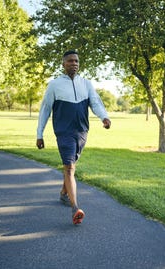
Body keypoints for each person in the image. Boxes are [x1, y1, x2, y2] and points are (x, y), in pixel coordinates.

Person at [36, 50, 111, 225]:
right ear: (63, 64)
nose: (74, 63)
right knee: (69, 168)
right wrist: (39, 134)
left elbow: (95, 102)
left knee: (71, 166)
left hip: (82, 131)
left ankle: (63, 193)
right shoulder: (54, 85)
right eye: (70, 61)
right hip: (64, 132)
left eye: (76, 61)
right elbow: (45, 109)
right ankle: (74, 207)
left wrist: (104, 117)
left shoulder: (86, 83)